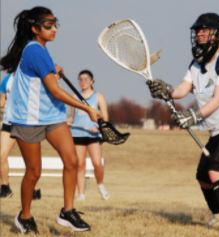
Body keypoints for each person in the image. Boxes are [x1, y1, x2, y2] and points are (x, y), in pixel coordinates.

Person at [147, 13, 219, 235]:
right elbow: (181, 90)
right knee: (203, 177)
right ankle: (218, 216)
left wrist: (194, 117)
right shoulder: (196, 65)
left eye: (205, 30)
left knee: (216, 171)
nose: (199, 34)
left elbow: (218, 99)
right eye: (197, 31)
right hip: (218, 130)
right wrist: (165, 90)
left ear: (218, 34)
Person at [0, 6, 100, 234]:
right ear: (35, 29)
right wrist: (85, 107)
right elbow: (55, 91)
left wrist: (52, 70)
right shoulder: (35, 51)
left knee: (72, 161)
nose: (54, 29)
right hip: (28, 119)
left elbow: (42, 80)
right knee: (34, 172)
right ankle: (24, 217)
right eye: (48, 26)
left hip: (51, 116)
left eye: (55, 24)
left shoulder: (41, 51)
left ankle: (67, 211)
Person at [68, 69, 110, 201]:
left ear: (92, 81)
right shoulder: (74, 97)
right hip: (77, 134)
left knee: (97, 163)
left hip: (93, 135)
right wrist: (67, 122)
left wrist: (96, 117)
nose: (83, 82)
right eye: (80, 79)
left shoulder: (98, 96)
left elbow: (105, 118)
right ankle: (81, 194)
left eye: (86, 79)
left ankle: (100, 185)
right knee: (80, 164)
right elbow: (71, 117)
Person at [0, 74, 41, 200]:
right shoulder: (7, 79)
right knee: (1, 156)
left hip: (27, 122)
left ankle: (34, 190)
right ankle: (5, 188)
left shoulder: (32, 78)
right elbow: (2, 101)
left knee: (31, 160)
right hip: (9, 122)